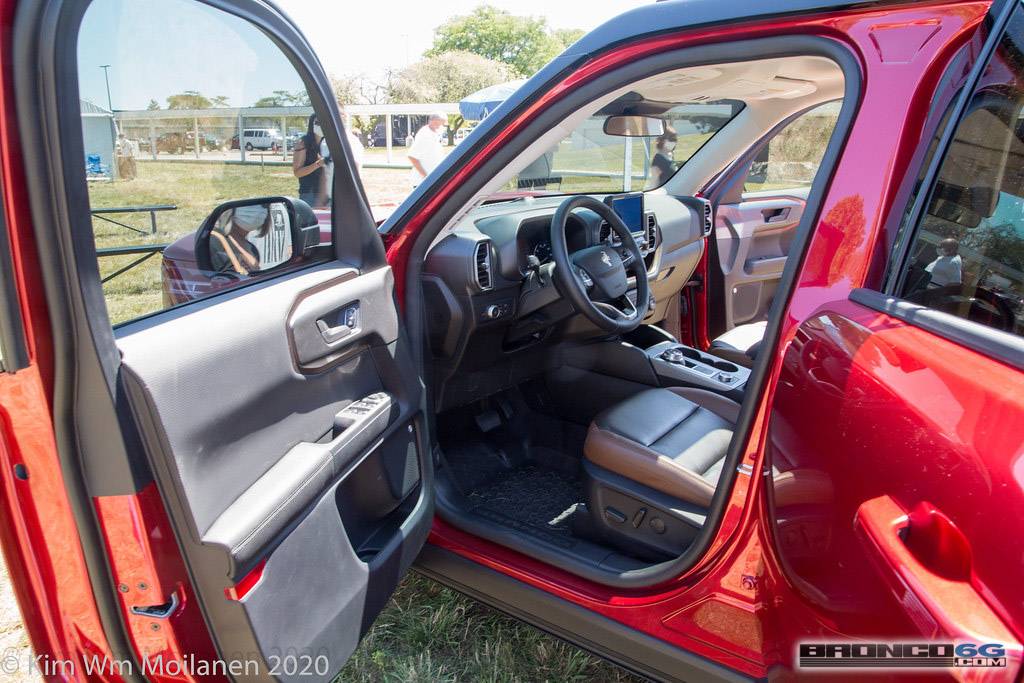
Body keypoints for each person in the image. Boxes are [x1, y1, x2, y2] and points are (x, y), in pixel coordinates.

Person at [209, 204, 267, 276]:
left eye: (263, 205)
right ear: (231, 211)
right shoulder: (214, 241)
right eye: (248, 204)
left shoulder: (252, 249)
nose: (258, 210)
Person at [292, 114, 326, 207]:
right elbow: (297, 172)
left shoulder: (328, 142)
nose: (321, 125)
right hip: (309, 193)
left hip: (327, 192)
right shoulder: (303, 143)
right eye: (317, 123)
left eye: (324, 122)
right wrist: (318, 164)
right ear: (311, 125)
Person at [408, 111, 447, 188]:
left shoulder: (434, 134)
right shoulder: (425, 135)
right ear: (435, 121)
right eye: (443, 124)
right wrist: (425, 177)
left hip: (432, 180)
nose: (443, 127)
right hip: (423, 182)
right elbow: (412, 156)